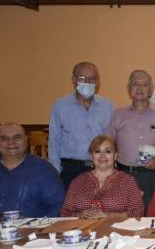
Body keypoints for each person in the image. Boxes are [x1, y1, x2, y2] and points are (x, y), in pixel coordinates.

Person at [46, 135, 143, 249]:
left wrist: (108, 216)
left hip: (112, 240)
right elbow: (65, 212)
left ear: (115, 156)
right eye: (97, 151)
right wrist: (81, 214)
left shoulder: (127, 181)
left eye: (108, 151)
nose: (103, 155)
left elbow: (138, 213)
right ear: (91, 155)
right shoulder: (78, 181)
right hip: (79, 238)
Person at [49, 61, 114, 189]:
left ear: (98, 82)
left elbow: (112, 138)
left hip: (101, 167)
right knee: (73, 208)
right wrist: (55, 173)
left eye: (92, 79)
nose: (87, 83)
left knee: (101, 208)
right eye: (82, 78)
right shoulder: (60, 106)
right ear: (74, 80)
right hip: (70, 170)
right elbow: (54, 141)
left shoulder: (107, 105)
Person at [106, 69, 155, 208]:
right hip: (123, 176)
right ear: (128, 89)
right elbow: (107, 144)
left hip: (152, 176)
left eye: (144, 85)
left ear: (151, 90)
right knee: (124, 218)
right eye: (135, 84)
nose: (139, 88)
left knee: (152, 217)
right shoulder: (118, 114)